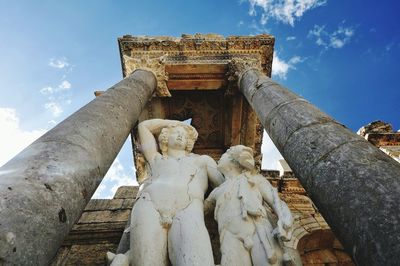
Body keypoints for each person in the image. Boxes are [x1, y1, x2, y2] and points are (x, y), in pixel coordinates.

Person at [129, 119, 224, 266]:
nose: (181, 136)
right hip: (149, 205)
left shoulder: (203, 161)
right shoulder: (156, 158)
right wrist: (173, 123)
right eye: (176, 133)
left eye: (184, 135)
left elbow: (224, 187)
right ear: (166, 137)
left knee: (195, 261)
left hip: (188, 208)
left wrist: (209, 204)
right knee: (146, 261)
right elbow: (144, 126)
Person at [204, 145, 301, 266]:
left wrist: (285, 218)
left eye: (223, 156)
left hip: (258, 229)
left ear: (233, 161)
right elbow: (200, 210)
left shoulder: (254, 179)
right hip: (229, 237)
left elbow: (275, 200)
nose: (219, 159)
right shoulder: (217, 192)